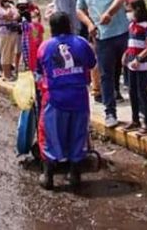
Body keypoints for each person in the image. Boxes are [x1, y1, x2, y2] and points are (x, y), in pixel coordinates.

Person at [35, 11, 97, 190]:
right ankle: (75, 174)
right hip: (79, 97)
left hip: (55, 99)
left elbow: (39, 72)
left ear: (51, 28)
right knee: (78, 135)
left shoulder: (45, 46)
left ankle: (48, 176)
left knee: (49, 135)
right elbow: (92, 64)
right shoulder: (82, 43)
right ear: (69, 25)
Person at [76, 0, 129, 129]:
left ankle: (138, 112)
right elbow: (79, 9)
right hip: (102, 37)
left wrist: (109, 13)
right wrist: (89, 24)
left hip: (122, 32)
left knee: (127, 71)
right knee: (105, 74)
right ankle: (110, 112)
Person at [123, 0, 147, 135]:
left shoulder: (145, 26)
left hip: (141, 64)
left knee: (142, 92)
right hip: (131, 63)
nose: (128, 12)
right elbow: (131, 43)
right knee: (132, 91)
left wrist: (139, 58)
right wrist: (126, 55)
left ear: (137, 9)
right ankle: (135, 119)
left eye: (129, 9)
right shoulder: (131, 25)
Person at [0, 0, 21, 81]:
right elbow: (5, 16)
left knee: (11, 53)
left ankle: (9, 73)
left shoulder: (11, 5)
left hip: (13, 31)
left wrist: (11, 16)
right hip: (3, 32)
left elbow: (17, 15)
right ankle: (6, 75)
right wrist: (10, 13)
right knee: (5, 53)